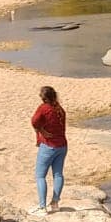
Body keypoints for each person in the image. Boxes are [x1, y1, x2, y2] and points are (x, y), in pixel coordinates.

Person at [30, 85, 68, 214]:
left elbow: (34, 121)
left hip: (49, 145)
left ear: (43, 97)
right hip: (62, 145)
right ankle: (55, 203)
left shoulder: (44, 108)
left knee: (40, 176)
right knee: (58, 174)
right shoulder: (59, 109)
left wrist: (41, 130)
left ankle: (42, 207)